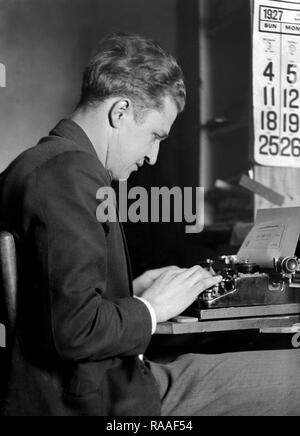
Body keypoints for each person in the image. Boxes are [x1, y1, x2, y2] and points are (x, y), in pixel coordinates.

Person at [0, 32, 300, 417]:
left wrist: (132, 290)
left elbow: (58, 299)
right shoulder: (69, 174)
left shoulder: (38, 165)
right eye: (155, 135)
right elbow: (74, 330)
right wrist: (151, 307)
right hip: (100, 402)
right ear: (120, 111)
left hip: (94, 386)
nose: (153, 156)